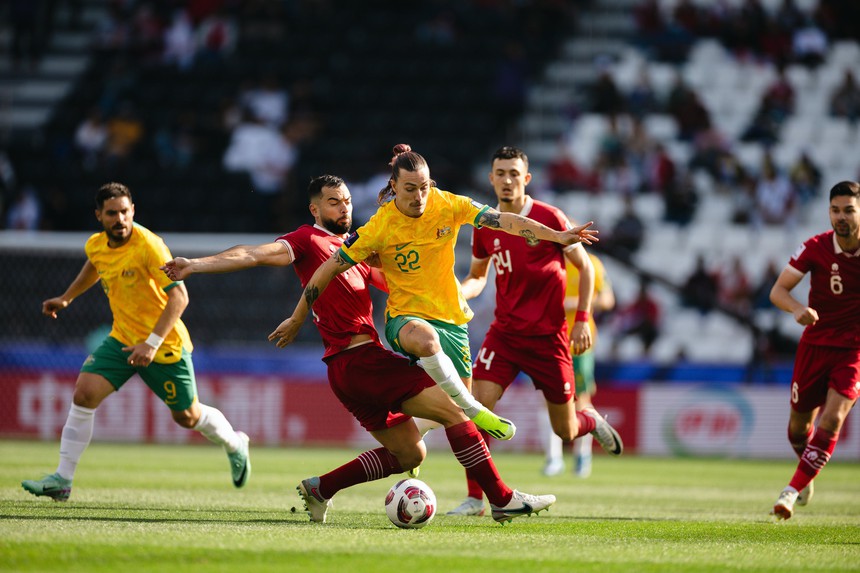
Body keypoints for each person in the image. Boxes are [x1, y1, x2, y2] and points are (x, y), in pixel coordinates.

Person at [162, 175, 556, 524]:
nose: (344, 207)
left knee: (411, 455)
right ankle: (501, 499)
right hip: (360, 360)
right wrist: (195, 266)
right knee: (456, 411)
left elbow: (401, 278)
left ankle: (321, 488)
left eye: (348, 200)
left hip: (350, 371)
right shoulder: (306, 239)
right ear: (314, 208)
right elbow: (252, 253)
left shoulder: (358, 249)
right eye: (334, 201)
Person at [22, 182, 250, 502]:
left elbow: (179, 298)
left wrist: (152, 344)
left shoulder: (149, 246)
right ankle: (62, 478)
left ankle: (235, 443)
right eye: (112, 213)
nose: (120, 219)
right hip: (123, 338)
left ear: (133, 212)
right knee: (84, 394)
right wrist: (66, 298)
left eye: (125, 212)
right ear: (99, 215)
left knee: (187, 417)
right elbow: (95, 264)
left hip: (164, 344)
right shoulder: (96, 244)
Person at [453, 147, 622, 514]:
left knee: (565, 431)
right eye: (501, 172)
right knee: (476, 410)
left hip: (549, 339)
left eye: (515, 173)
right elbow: (478, 277)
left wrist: (581, 320)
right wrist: (458, 295)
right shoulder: (485, 223)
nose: (507, 179)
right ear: (491, 178)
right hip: (505, 335)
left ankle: (589, 419)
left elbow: (587, 267)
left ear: (526, 178)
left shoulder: (549, 217)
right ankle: (474, 498)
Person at [769, 180, 860, 521]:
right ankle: (806, 470)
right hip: (815, 345)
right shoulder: (816, 247)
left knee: (833, 417)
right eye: (835, 210)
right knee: (797, 429)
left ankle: (790, 492)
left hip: (853, 350)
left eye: (849, 210)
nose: (841, 217)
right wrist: (795, 309)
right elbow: (778, 291)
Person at [543, 251, 615, 478]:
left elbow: (608, 299)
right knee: (547, 398)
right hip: (551, 340)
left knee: (581, 398)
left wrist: (577, 302)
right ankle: (553, 458)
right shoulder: (551, 264)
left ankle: (582, 457)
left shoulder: (592, 264)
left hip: (580, 343)